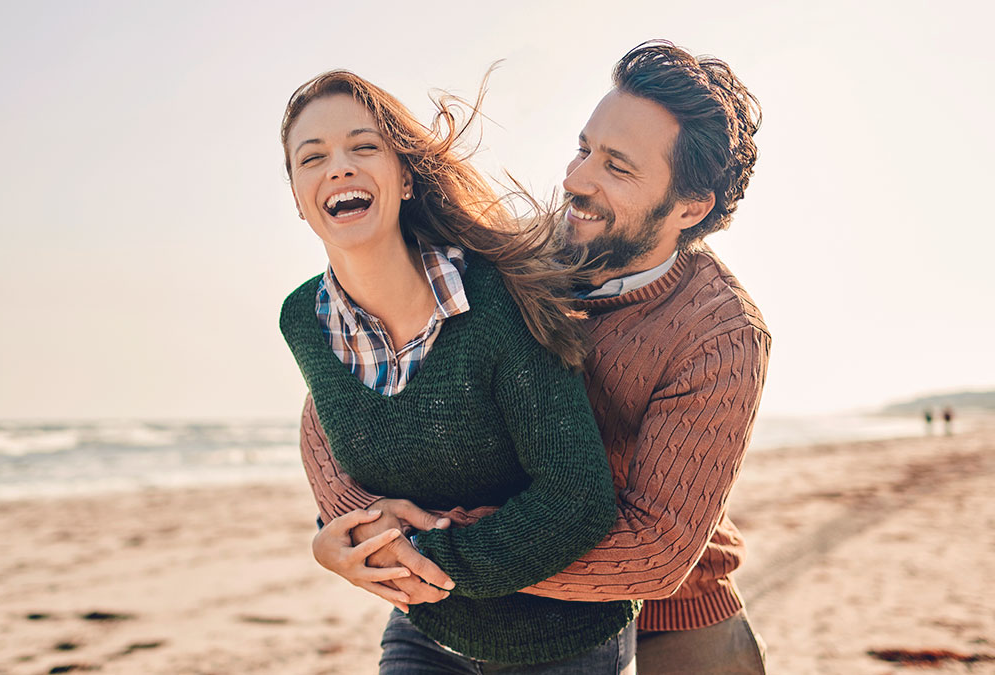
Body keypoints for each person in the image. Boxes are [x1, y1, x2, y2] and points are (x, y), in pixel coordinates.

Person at [303, 41, 771, 674]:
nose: (576, 180)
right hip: (475, 594)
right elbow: (347, 385)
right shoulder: (512, 261)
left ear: (690, 208)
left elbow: (657, 550)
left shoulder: (719, 336)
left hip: (676, 608)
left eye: (618, 168)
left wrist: (436, 546)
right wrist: (357, 530)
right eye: (585, 149)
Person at [278, 70, 638, 671]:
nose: (338, 167)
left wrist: (431, 560)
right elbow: (353, 471)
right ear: (296, 197)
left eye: (364, 147)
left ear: (406, 178)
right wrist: (330, 545)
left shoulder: (497, 299)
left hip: (561, 640)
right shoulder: (303, 321)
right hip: (426, 630)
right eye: (311, 158)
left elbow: (578, 499)